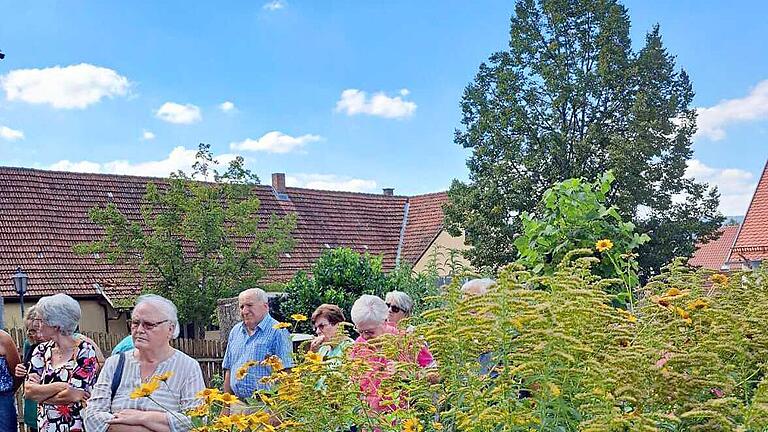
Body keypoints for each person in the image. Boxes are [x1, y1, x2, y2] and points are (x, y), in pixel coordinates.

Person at [83, 294, 205, 432]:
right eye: (135, 323)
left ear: (170, 329)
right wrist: (158, 425)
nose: (139, 330)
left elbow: (196, 421)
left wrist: (142, 417)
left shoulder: (187, 367)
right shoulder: (115, 364)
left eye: (149, 325)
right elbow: (92, 417)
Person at [24, 294, 99, 432]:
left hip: (76, 426)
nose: (38, 326)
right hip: (46, 426)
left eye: (41, 321)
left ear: (56, 326)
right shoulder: (41, 350)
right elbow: (28, 391)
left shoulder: (85, 352)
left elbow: (73, 395)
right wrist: (61, 386)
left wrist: (41, 396)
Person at [349, 295, 435, 412]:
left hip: (405, 419)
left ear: (384, 321)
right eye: (360, 331)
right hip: (370, 421)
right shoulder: (358, 345)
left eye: (370, 332)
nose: (364, 336)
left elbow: (436, 374)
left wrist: (409, 374)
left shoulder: (407, 341)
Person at [222, 288, 293, 402]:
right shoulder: (235, 331)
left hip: (265, 406)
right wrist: (226, 406)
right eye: (242, 307)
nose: (245, 311)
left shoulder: (278, 331)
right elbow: (229, 370)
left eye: (249, 305)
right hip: (237, 405)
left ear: (265, 306)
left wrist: (277, 412)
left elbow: (286, 372)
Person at [16, 306, 44, 432]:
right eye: (32, 331)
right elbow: (26, 367)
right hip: (33, 405)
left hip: (52, 404)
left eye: (40, 330)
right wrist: (20, 369)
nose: (37, 335)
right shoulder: (30, 344)